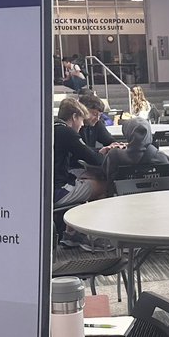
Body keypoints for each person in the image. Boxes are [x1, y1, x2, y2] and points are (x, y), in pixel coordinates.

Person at [53, 97, 105, 241]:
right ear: (74, 116)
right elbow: (94, 159)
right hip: (58, 191)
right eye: (81, 120)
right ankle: (94, 237)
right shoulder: (67, 133)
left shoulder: (53, 128)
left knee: (88, 178)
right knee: (103, 185)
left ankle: (72, 233)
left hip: (46, 190)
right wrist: (103, 154)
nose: (82, 125)